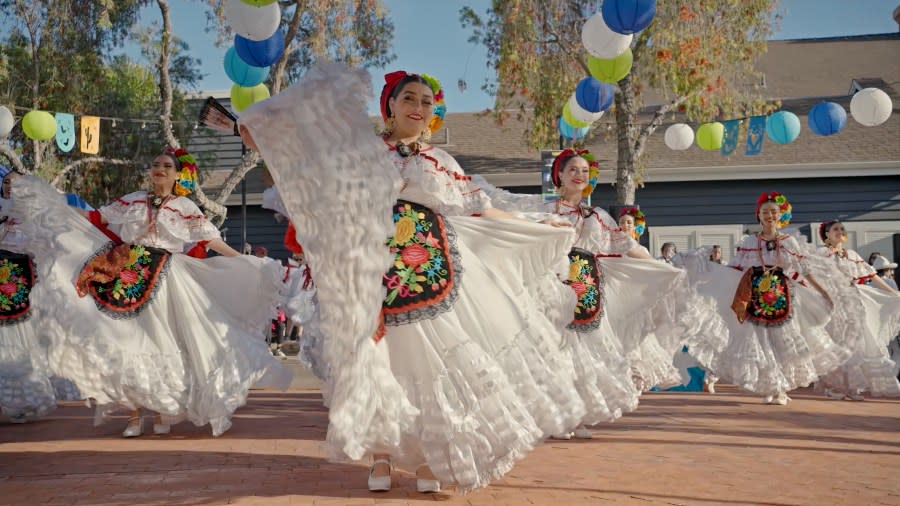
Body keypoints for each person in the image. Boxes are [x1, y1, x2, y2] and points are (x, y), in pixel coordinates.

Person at [239, 64, 586, 493]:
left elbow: (477, 205)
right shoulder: (360, 152)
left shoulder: (440, 161)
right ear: (390, 107)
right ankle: (381, 457)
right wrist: (267, 141)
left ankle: (428, 460)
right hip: (370, 265)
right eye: (410, 99)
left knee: (428, 362)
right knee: (381, 362)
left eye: (426, 101)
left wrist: (534, 223)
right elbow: (311, 176)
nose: (419, 107)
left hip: (429, 265)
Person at [6, 148, 292, 437]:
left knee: (163, 341)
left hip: (169, 277)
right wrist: (56, 206)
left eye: (167, 165)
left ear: (178, 174)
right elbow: (96, 218)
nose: (160, 169)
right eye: (155, 164)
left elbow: (211, 240)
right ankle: (134, 416)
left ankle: (161, 410)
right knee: (131, 341)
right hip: (129, 274)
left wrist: (244, 261)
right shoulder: (132, 200)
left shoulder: (185, 207)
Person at [675, 192, 849, 405]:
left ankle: (781, 389)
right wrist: (709, 271)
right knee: (762, 344)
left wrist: (822, 292)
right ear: (758, 215)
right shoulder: (749, 241)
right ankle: (773, 386)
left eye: (773, 212)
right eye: (765, 212)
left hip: (783, 295)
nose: (769, 215)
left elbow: (805, 269)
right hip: (755, 297)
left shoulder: (789, 241)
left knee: (782, 344)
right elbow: (736, 267)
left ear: (780, 215)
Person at [814, 221, 900, 400]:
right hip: (833, 302)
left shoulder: (851, 254)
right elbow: (811, 275)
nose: (840, 231)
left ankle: (852, 388)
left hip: (853, 301)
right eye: (835, 229)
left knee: (857, 343)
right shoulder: (821, 253)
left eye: (842, 229)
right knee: (838, 342)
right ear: (826, 234)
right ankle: (835, 387)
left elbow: (871, 275)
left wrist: (893, 292)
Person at [0, 167, 58, 422]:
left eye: (15, 183)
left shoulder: (36, 216)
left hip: (21, 276)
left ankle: (21, 400)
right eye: (5, 183)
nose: (9, 187)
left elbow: (47, 247)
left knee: (18, 337)